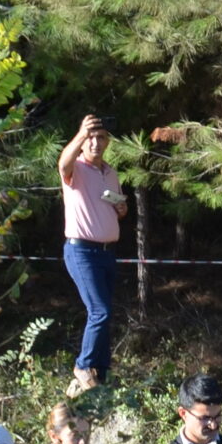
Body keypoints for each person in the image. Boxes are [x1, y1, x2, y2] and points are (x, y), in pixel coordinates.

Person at [57, 113, 127, 394]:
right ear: (82, 142)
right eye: (90, 138)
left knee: (105, 314)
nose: (95, 143)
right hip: (81, 250)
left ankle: (102, 370)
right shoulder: (76, 169)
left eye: (100, 138)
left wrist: (122, 209)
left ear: (108, 141)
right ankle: (83, 366)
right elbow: (62, 163)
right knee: (99, 311)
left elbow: (115, 206)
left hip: (106, 252)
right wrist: (80, 133)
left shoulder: (110, 172)